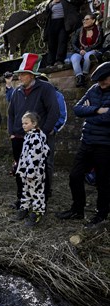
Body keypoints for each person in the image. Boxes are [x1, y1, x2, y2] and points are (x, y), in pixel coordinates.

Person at [56, 61, 110, 228]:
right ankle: (77, 210)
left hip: (105, 145)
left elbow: (108, 118)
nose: (101, 83)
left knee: (103, 182)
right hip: (87, 142)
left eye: (104, 79)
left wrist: (91, 112)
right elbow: (77, 109)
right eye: (99, 80)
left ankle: (101, 215)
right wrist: (97, 110)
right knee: (75, 176)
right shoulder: (93, 90)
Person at [7, 53, 60, 209]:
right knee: (20, 169)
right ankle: (22, 198)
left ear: (31, 75)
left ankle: (40, 199)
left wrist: (42, 133)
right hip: (18, 137)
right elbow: (10, 113)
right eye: (19, 74)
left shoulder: (46, 88)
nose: (20, 77)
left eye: (23, 74)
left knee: (39, 169)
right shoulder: (17, 92)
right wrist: (12, 131)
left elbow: (54, 112)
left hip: (38, 137)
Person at [13, 112, 50, 226]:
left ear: (34, 124)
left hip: (34, 172)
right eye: (23, 123)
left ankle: (37, 212)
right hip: (26, 170)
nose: (23, 125)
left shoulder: (37, 137)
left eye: (26, 123)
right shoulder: (29, 135)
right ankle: (25, 208)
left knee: (36, 192)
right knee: (26, 190)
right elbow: (25, 154)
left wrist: (31, 172)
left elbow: (35, 157)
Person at [70, 13, 104, 87]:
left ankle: (85, 74)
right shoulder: (80, 30)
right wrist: (79, 51)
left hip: (92, 50)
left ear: (93, 20)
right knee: (74, 58)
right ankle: (80, 77)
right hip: (80, 51)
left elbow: (99, 43)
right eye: (84, 19)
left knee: (88, 56)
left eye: (87, 19)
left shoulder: (99, 30)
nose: (84, 21)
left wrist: (87, 50)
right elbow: (73, 43)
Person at [44, 0, 80, 66]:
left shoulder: (67, 1)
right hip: (52, 23)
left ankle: (59, 60)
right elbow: (46, 10)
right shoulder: (52, 1)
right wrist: (52, 3)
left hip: (63, 23)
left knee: (62, 41)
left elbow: (78, 3)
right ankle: (50, 62)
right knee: (51, 44)